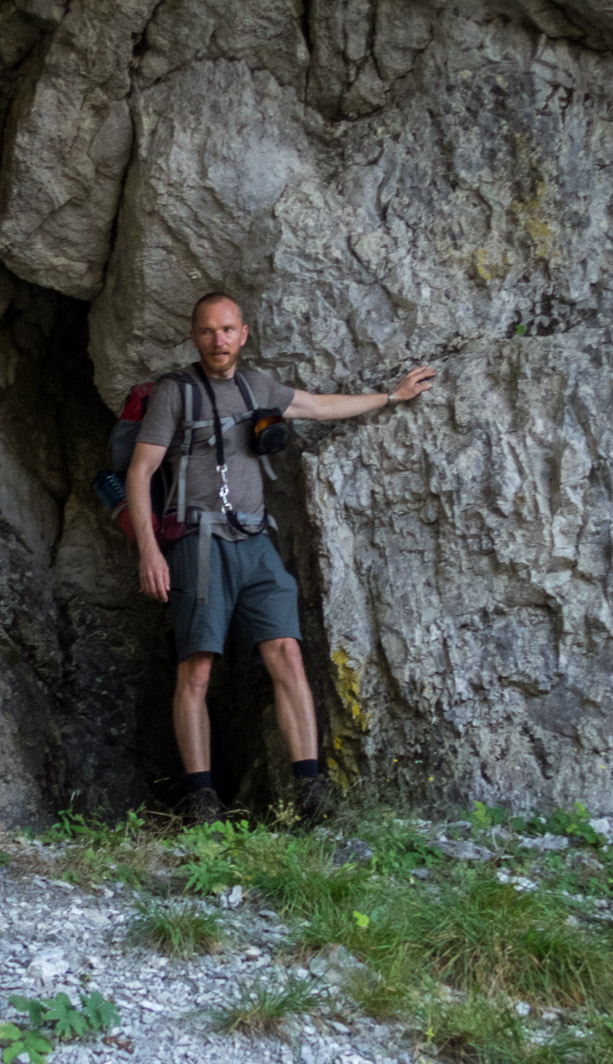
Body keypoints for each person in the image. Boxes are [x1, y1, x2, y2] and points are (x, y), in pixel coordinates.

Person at [126, 292, 437, 822]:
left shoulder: (257, 387)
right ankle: (202, 799)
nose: (218, 340)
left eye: (227, 330)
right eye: (207, 331)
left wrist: (391, 396)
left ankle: (309, 791)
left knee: (287, 655)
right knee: (197, 669)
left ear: (243, 334)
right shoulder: (176, 394)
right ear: (194, 335)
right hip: (199, 546)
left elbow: (316, 404)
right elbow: (139, 472)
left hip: (255, 544)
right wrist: (150, 552)